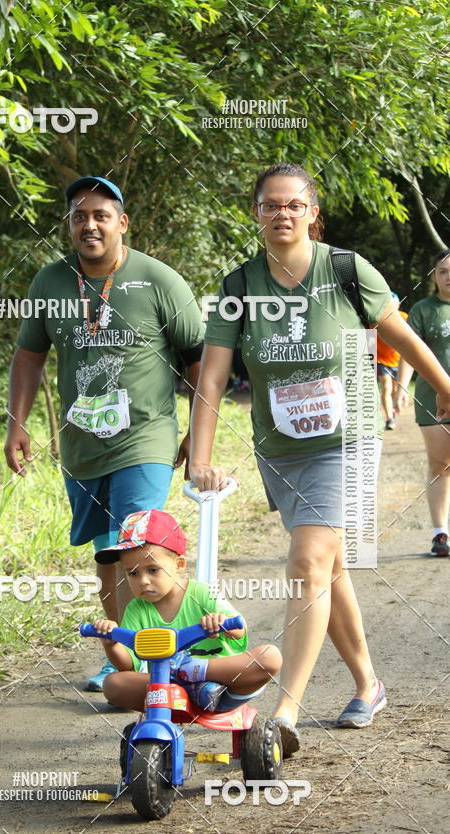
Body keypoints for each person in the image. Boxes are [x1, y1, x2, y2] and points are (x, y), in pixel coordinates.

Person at [189, 162, 450, 756]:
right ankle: (368, 683)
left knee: (307, 561)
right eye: (269, 205)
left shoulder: (346, 270)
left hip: (349, 441)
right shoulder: (237, 289)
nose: (282, 213)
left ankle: (285, 711)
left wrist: (444, 386)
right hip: (280, 450)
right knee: (325, 570)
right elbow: (212, 378)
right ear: (256, 215)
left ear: (312, 213)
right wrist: (199, 459)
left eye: (293, 204)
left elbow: (405, 336)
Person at [4, 176, 205, 690]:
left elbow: (199, 358)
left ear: (122, 222)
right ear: (69, 224)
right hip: (82, 445)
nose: (89, 224)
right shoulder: (49, 282)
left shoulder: (158, 280)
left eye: (100, 215)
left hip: (147, 437)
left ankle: (168, 652)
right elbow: (30, 353)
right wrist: (17, 423)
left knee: (138, 543)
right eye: (78, 216)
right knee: (108, 557)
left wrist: (197, 434)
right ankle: (122, 655)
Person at [92, 509, 282, 712]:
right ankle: (189, 686)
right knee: (113, 684)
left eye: (153, 570)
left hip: (223, 687)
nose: (143, 581)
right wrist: (111, 643)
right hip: (167, 689)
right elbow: (129, 665)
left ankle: (194, 672)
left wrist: (220, 621)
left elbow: (239, 630)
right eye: (133, 573)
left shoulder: (201, 593)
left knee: (269, 657)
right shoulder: (137, 608)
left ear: (179, 564)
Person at [395, 250, 450, 556]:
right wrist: (402, 385)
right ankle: (440, 533)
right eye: (442, 271)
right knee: (441, 464)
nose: (449, 276)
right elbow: (408, 350)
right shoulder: (423, 310)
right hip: (432, 398)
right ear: (433, 277)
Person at [376, 293, 408, 430]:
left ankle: (393, 414)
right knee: (387, 386)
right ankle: (389, 419)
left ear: (398, 304)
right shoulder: (376, 319)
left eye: (393, 304)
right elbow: (368, 337)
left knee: (395, 389)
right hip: (381, 359)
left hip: (398, 360)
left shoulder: (405, 318)